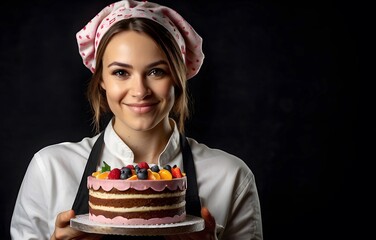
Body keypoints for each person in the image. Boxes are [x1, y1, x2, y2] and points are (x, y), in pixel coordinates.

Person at [10, 0, 263, 239]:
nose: (140, 91)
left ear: (178, 77)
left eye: (156, 71)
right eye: (121, 72)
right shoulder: (50, 169)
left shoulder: (231, 177)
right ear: (101, 82)